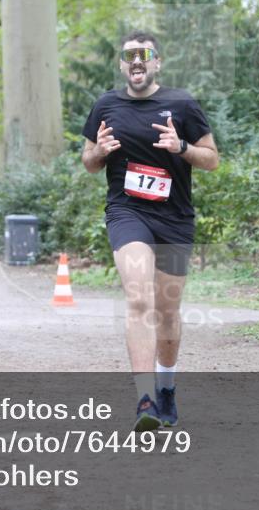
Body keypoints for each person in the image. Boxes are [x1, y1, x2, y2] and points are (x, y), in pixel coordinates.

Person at [81, 30, 219, 431]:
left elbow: (211, 159)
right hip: (128, 213)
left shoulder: (182, 103)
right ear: (122, 65)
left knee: (168, 312)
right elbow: (88, 160)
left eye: (145, 55)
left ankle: (167, 387)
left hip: (174, 218)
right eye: (129, 56)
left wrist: (181, 148)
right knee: (139, 297)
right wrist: (99, 153)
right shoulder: (106, 104)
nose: (136, 61)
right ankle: (145, 400)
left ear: (157, 62)